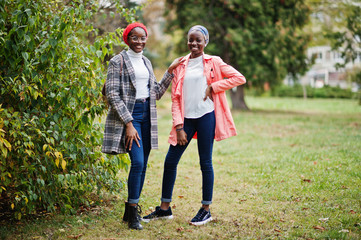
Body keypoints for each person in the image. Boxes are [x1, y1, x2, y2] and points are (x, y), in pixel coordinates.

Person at [142, 25, 246, 226]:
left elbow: (239, 78)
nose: (194, 43)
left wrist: (214, 86)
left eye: (198, 40)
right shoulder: (180, 64)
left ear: (205, 42)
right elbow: (174, 98)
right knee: (170, 161)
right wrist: (179, 127)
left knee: (205, 163)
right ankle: (164, 209)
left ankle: (205, 209)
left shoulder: (214, 62)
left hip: (206, 116)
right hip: (186, 120)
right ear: (187, 41)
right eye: (191, 39)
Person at [102, 22, 182, 230]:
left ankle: (129, 211)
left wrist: (170, 72)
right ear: (127, 39)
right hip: (131, 116)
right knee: (137, 162)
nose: (139, 41)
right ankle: (134, 210)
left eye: (142, 38)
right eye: (135, 37)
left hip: (148, 115)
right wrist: (129, 123)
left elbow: (155, 93)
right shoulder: (117, 62)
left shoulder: (146, 62)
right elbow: (111, 94)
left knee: (143, 163)